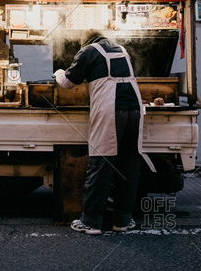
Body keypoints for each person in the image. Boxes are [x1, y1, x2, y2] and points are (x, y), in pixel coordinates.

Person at [54, 29, 154, 235]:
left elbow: (67, 83)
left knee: (101, 164)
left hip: (111, 109)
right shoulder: (121, 49)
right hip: (135, 109)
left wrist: (58, 72)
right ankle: (123, 221)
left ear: (85, 42)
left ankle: (91, 222)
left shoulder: (88, 51)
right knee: (128, 166)